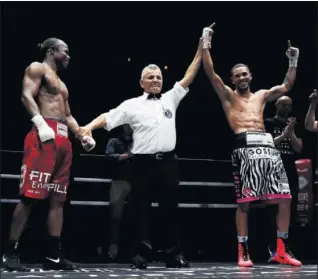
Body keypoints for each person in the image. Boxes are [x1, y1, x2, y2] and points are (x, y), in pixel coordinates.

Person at [78, 39, 203, 269]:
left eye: (158, 77)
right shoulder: (132, 104)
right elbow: (108, 116)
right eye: (151, 77)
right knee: (140, 210)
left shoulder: (170, 98)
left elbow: (189, 75)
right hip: (141, 163)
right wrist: (87, 127)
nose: (156, 80)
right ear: (142, 83)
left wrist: (201, 48)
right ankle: (140, 255)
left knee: (170, 209)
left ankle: (173, 254)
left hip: (167, 162)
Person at [202, 23, 301, 267]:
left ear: (251, 76)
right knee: (244, 202)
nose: (242, 77)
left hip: (268, 147)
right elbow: (210, 72)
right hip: (245, 146)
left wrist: (293, 61)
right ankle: (243, 250)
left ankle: (281, 249)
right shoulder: (228, 95)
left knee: (285, 198)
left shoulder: (262, 96)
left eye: (245, 74)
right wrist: (206, 42)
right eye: (237, 75)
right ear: (232, 79)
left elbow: (286, 86)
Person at [2, 37, 95, 271]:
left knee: (58, 199)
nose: (69, 56)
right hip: (44, 136)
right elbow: (26, 96)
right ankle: (9, 251)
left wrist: (82, 135)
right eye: (66, 51)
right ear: (52, 51)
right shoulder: (37, 68)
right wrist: (40, 124)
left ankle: (53, 254)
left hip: (64, 140)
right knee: (30, 197)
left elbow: (69, 115)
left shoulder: (62, 84)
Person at [264, 96, 303, 262]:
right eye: (284, 104)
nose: (287, 107)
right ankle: (272, 249)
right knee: (273, 210)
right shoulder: (268, 123)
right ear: (276, 105)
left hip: (290, 170)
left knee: (289, 211)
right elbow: (267, 145)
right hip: (273, 169)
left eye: (289, 105)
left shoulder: (293, 125)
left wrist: (291, 132)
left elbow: (299, 148)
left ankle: (284, 248)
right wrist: (284, 134)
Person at [105, 124, 133, 260]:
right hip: (118, 181)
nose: (129, 127)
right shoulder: (114, 141)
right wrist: (126, 156)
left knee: (138, 215)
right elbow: (108, 156)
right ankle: (113, 246)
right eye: (127, 124)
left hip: (136, 181)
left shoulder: (139, 141)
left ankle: (137, 250)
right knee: (115, 216)